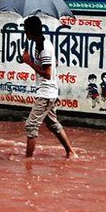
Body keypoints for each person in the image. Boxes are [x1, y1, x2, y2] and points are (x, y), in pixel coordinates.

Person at [21, 16, 76, 158]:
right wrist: (29, 60)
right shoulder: (42, 44)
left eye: (26, 30)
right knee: (52, 124)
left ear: (30, 31)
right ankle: (70, 152)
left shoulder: (44, 47)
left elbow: (47, 73)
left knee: (31, 125)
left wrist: (29, 62)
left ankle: (28, 160)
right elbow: (54, 63)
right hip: (49, 92)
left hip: (46, 93)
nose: (25, 33)